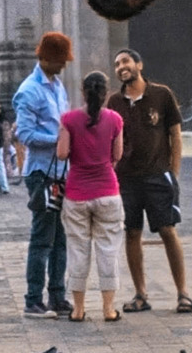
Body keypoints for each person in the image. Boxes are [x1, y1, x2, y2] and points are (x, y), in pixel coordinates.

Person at [107, 48, 192, 316]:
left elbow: (175, 136)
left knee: (168, 231)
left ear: (139, 64)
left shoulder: (162, 94)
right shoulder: (114, 102)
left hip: (158, 175)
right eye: (118, 64)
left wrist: (173, 173)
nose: (122, 67)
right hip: (126, 179)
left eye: (126, 61)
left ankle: (183, 293)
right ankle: (141, 294)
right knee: (132, 233)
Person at [57, 70, 125, 324]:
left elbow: (62, 154)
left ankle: (78, 309)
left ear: (83, 93)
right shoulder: (115, 119)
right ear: (107, 94)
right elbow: (116, 156)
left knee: (77, 251)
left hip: (76, 194)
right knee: (108, 251)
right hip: (108, 191)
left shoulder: (69, 119)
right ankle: (108, 309)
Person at [14, 31, 73, 319]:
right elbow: (24, 133)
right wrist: (59, 139)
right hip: (41, 174)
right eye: (60, 61)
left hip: (61, 173)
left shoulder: (58, 86)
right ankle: (33, 299)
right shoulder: (29, 91)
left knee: (60, 239)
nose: (63, 66)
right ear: (44, 58)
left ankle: (57, 296)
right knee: (42, 238)